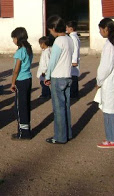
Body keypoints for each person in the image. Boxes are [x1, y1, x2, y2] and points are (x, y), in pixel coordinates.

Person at [94, 18, 114, 149]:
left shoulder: (109, 45)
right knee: (113, 109)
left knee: (109, 111)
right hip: (113, 81)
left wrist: (99, 81)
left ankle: (112, 139)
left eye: (100, 29)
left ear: (106, 29)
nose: (100, 32)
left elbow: (105, 67)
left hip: (108, 82)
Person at [44, 15, 73, 144]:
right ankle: (67, 133)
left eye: (50, 30)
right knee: (66, 106)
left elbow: (52, 61)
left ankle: (60, 136)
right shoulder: (69, 39)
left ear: (54, 28)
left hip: (57, 76)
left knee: (58, 109)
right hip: (67, 75)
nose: (50, 32)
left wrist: (47, 76)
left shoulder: (58, 41)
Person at [10, 27, 33, 140]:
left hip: (21, 80)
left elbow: (16, 69)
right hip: (28, 79)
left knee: (20, 107)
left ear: (18, 38)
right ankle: (26, 129)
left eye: (14, 38)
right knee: (26, 105)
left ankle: (23, 132)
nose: (13, 40)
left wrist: (12, 83)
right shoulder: (28, 49)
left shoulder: (20, 52)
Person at [66, 20, 80, 98]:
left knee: (73, 77)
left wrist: (74, 61)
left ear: (71, 28)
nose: (66, 29)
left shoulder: (73, 37)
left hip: (73, 61)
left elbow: (75, 49)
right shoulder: (74, 36)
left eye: (67, 27)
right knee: (73, 76)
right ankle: (74, 93)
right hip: (72, 60)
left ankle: (74, 94)